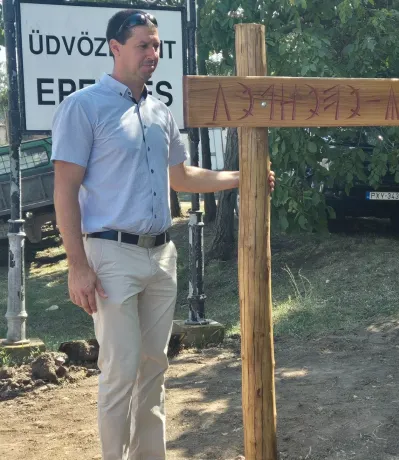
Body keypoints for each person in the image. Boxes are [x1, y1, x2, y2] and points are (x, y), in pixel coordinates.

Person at [51, 9, 275, 459]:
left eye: (156, 45)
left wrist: (241, 176)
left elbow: (182, 177)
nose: (153, 53)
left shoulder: (159, 111)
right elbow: (65, 191)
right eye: (142, 45)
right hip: (110, 254)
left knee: (154, 368)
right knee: (120, 370)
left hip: (162, 256)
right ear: (115, 48)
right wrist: (77, 265)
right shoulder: (84, 107)